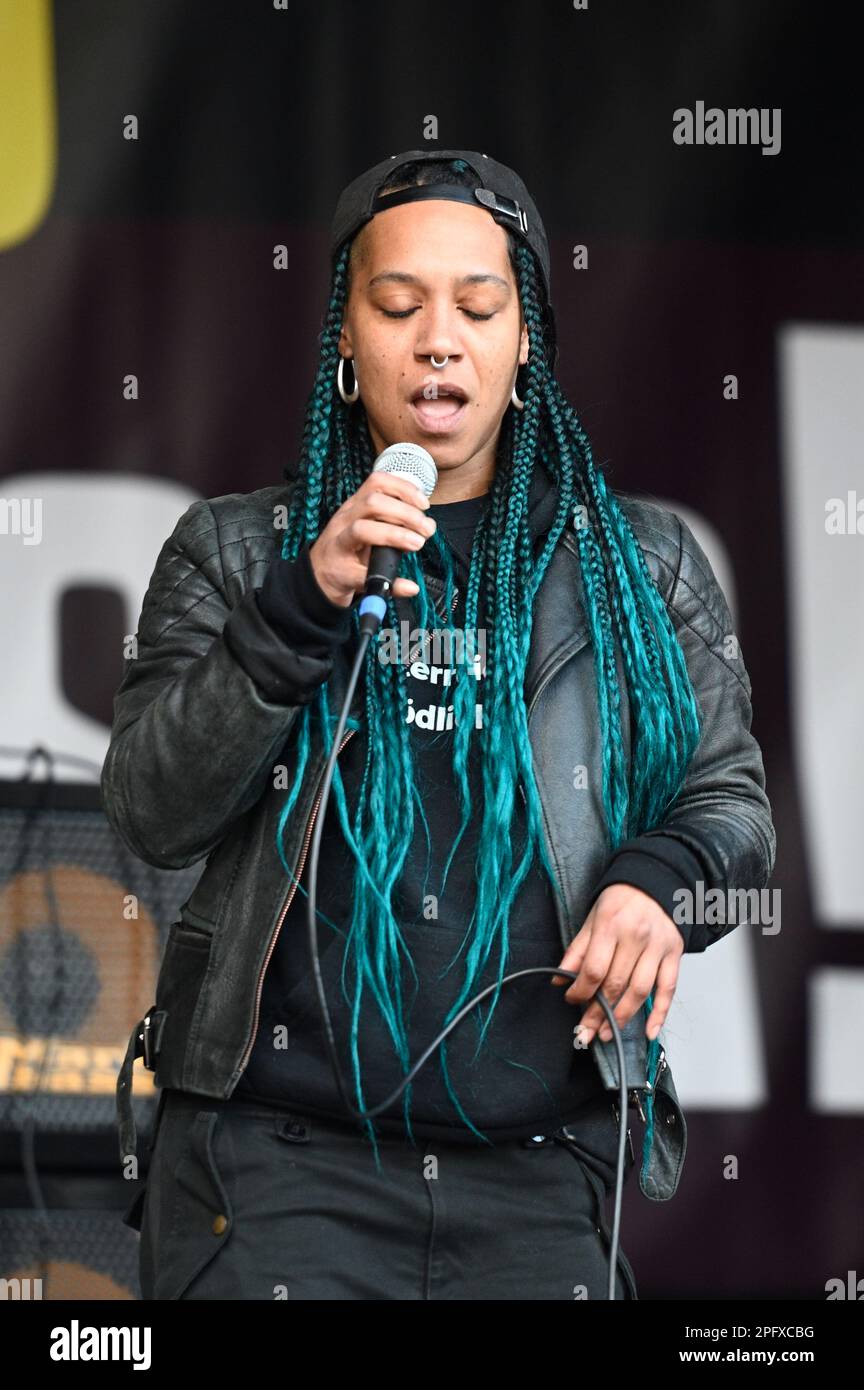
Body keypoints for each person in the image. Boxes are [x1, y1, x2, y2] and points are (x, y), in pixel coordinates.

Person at [104, 149, 776, 1301]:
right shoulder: (233, 550)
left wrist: (654, 880)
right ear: (346, 340)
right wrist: (301, 606)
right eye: (398, 303)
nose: (438, 337)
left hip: (534, 1179)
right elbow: (153, 812)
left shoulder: (639, 570)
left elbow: (735, 806)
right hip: (276, 1177)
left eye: (478, 305)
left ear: (525, 348)